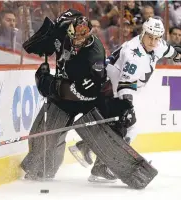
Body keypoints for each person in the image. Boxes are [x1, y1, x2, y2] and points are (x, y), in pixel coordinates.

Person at [69, 17, 181, 182]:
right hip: (110, 87)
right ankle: (100, 163)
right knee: (128, 126)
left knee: (116, 125)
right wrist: (127, 106)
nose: (153, 41)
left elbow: (171, 51)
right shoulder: (133, 54)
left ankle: (86, 148)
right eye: (150, 36)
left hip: (117, 87)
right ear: (143, 32)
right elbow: (125, 84)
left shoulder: (157, 44)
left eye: (157, 38)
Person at [20, 9, 124, 181]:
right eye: (75, 37)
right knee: (42, 132)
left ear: (89, 34)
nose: (78, 41)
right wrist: (48, 35)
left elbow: (81, 93)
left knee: (109, 125)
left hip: (89, 96)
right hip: (64, 87)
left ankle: (103, 167)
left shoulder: (94, 56)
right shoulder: (63, 31)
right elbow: (71, 14)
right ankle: (42, 168)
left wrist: (48, 84)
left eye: (83, 37)